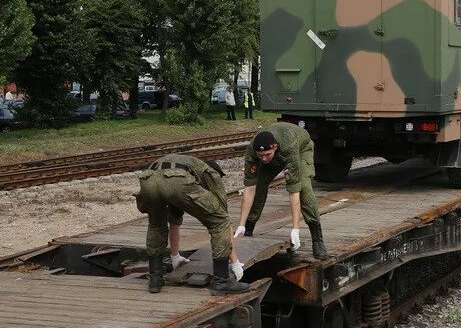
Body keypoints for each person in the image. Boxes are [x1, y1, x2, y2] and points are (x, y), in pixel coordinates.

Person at [135, 154, 249, 295]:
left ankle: (155, 279)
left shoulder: (187, 166)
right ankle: (221, 281)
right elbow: (222, 218)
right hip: (177, 181)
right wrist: (236, 263)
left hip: (149, 179)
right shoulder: (211, 172)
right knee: (220, 221)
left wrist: (175, 256)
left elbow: (174, 220)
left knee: (156, 225)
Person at [235, 124, 328, 259]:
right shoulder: (252, 151)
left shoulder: (289, 147)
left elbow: (293, 191)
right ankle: (248, 227)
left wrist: (295, 229)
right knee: (259, 184)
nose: (264, 159)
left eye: (267, 154)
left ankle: (317, 239)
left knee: (304, 188)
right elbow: (249, 188)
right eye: (260, 155)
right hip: (279, 152)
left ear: (275, 147)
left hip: (300, 149)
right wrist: (241, 225)